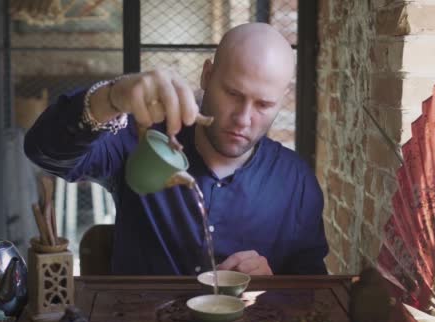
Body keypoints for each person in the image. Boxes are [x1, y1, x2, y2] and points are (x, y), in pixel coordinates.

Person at [24, 23, 329, 276]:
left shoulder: (296, 183)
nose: (243, 118)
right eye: (233, 94)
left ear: (284, 97)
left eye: (264, 104)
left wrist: (273, 285)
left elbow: (313, 293)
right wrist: (112, 98)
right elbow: (44, 151)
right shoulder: (141, 141)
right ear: (207, 75)